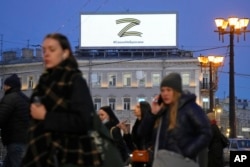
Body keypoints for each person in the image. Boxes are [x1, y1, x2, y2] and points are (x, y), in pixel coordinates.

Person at [21, 33, 102, 167]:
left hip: (68, 155)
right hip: (41, 152)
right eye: (44, 50)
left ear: (65, 53)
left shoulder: (75, 80)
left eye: (52, 50)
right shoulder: (44, 82)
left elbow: (83, 121)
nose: (46, 54)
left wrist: (46, 117)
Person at [138, 72, 212, 165]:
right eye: (163, 90)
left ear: (176, 91)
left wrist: (187, 152)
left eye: (169, 90)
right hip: (162, 161)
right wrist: (152, 114)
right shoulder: (162, 111)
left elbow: (206, 133)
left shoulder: (190, 107)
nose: (165, 94)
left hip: (181, 162)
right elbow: (142, 134)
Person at [0, 73, 30, 167]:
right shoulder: (25, 99)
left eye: (4, 85)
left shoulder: (9, 98)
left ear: (9, 86)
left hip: (15, 141)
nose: (3, 87)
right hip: (25, 140)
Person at [117, 100, 153, 167]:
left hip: (148, 159)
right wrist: (125, 130)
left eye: (138, 107)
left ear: (144, 109)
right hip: (139, 157)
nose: (134, 109)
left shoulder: (150, 124)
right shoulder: (136, 125)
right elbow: (132, 144)